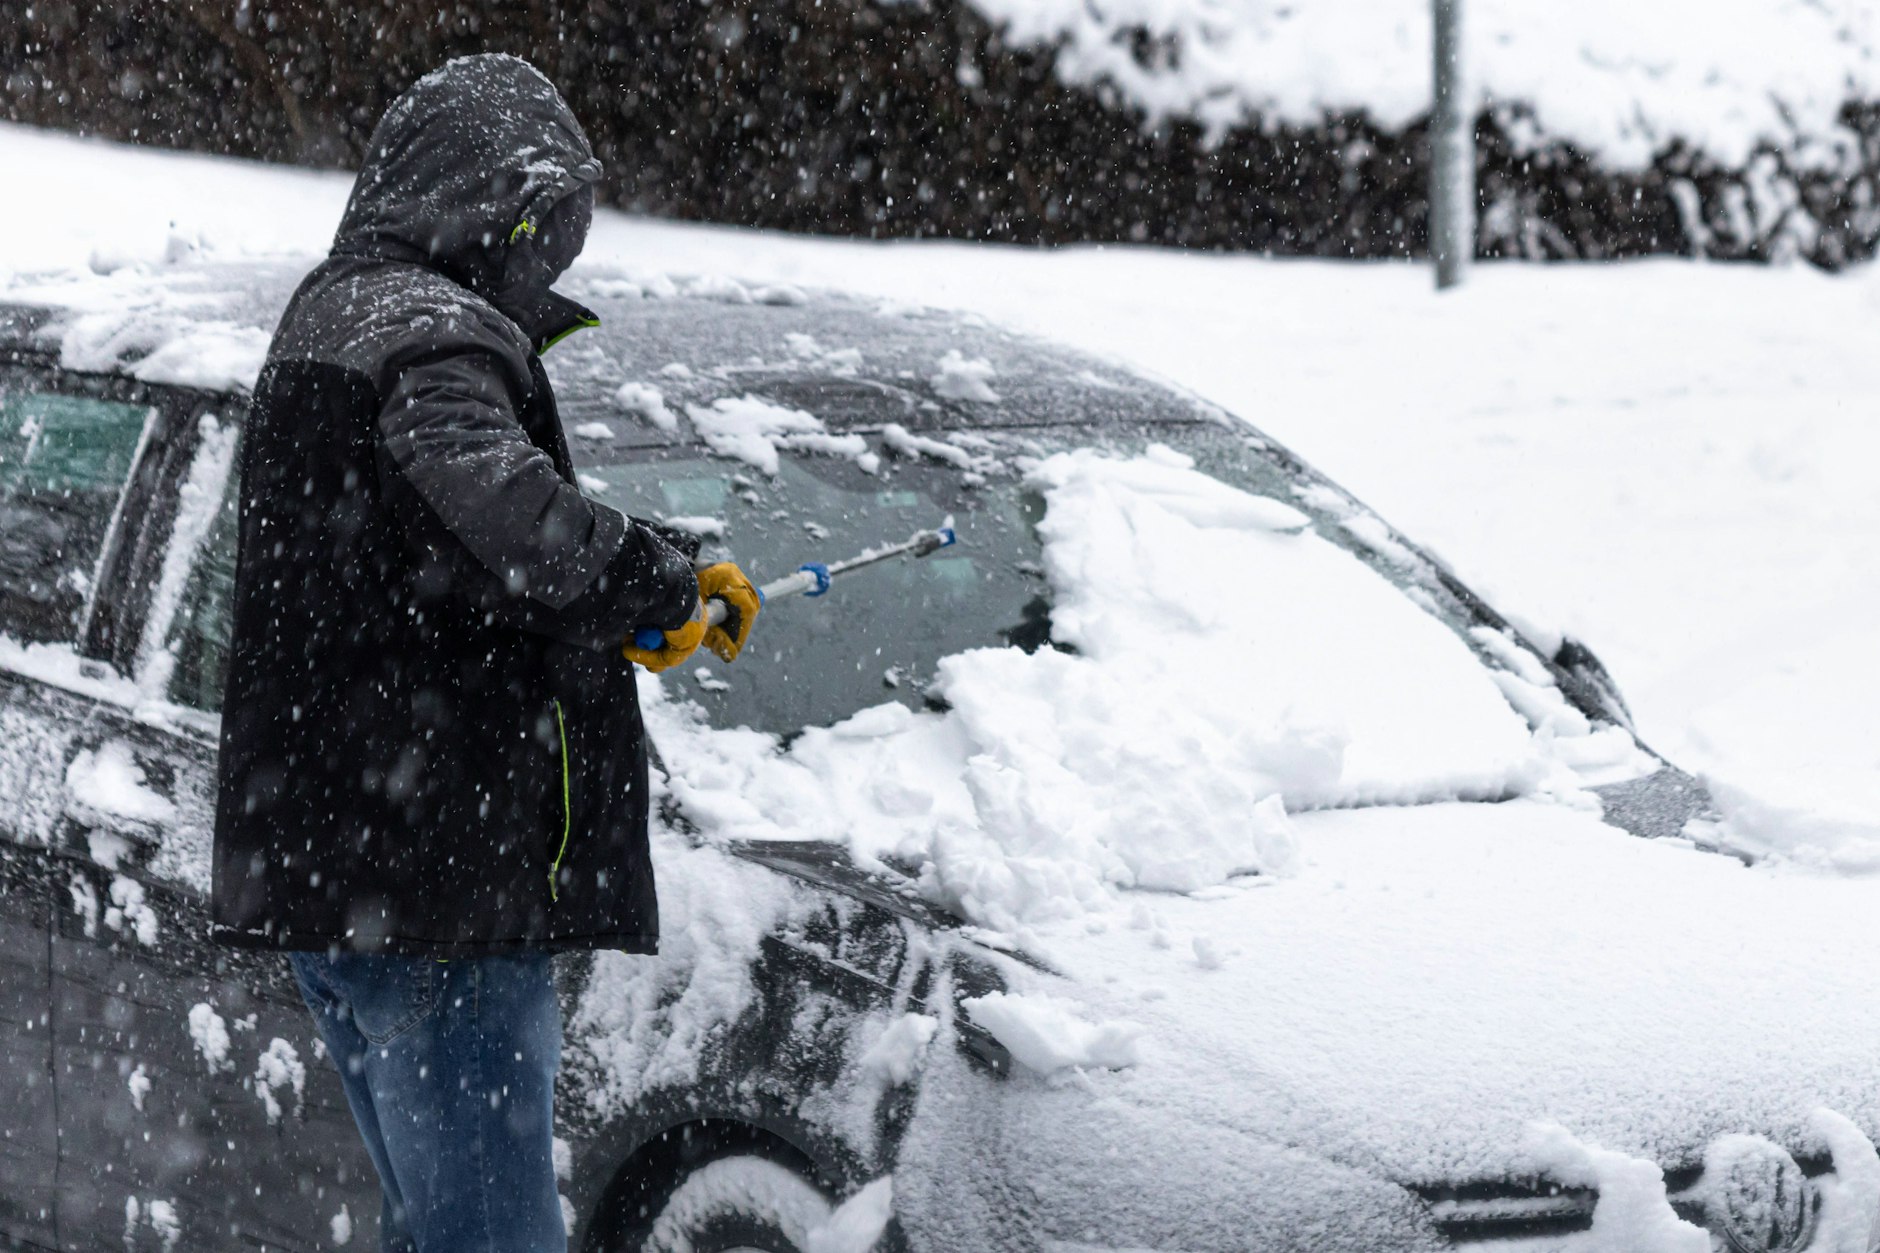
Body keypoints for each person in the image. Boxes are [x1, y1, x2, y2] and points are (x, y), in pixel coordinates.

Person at [208, 54, 760, 1252]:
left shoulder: (339, 309)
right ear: (480, 204)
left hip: (345, 868)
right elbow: (508, 510)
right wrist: (652, 584)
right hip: (437, 895)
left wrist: (641, 583)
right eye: (539, 223)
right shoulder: (427, 335)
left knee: (433, 1226)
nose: (548, 253)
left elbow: (442, 548)